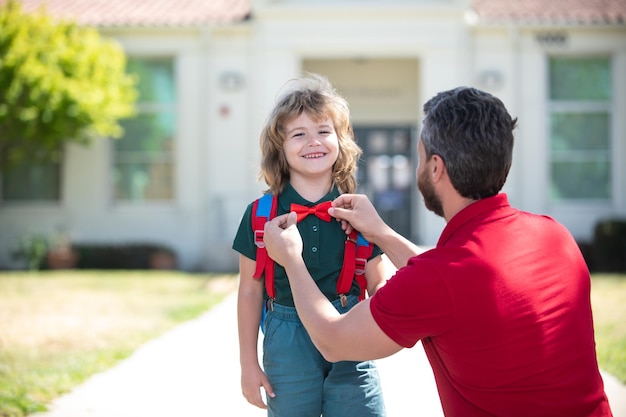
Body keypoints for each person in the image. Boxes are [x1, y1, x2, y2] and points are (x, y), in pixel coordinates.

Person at [263, 87, 613, 416]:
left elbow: (333, 341)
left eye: (418, 158)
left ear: (435, 167)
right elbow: (453, 282)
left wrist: (291, 259)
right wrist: (380, 232)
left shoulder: (441, 279)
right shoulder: (555, 236)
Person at [232, 73, 391, 417]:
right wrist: (248, 363)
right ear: (280, 148)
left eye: (323, 131)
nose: (313, 142)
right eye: (298, 134)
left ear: (340, 140)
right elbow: (249, 291)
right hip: (287, 340)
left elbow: (378, 280)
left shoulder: (356, 210)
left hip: (352, 330)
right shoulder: (261, 215)